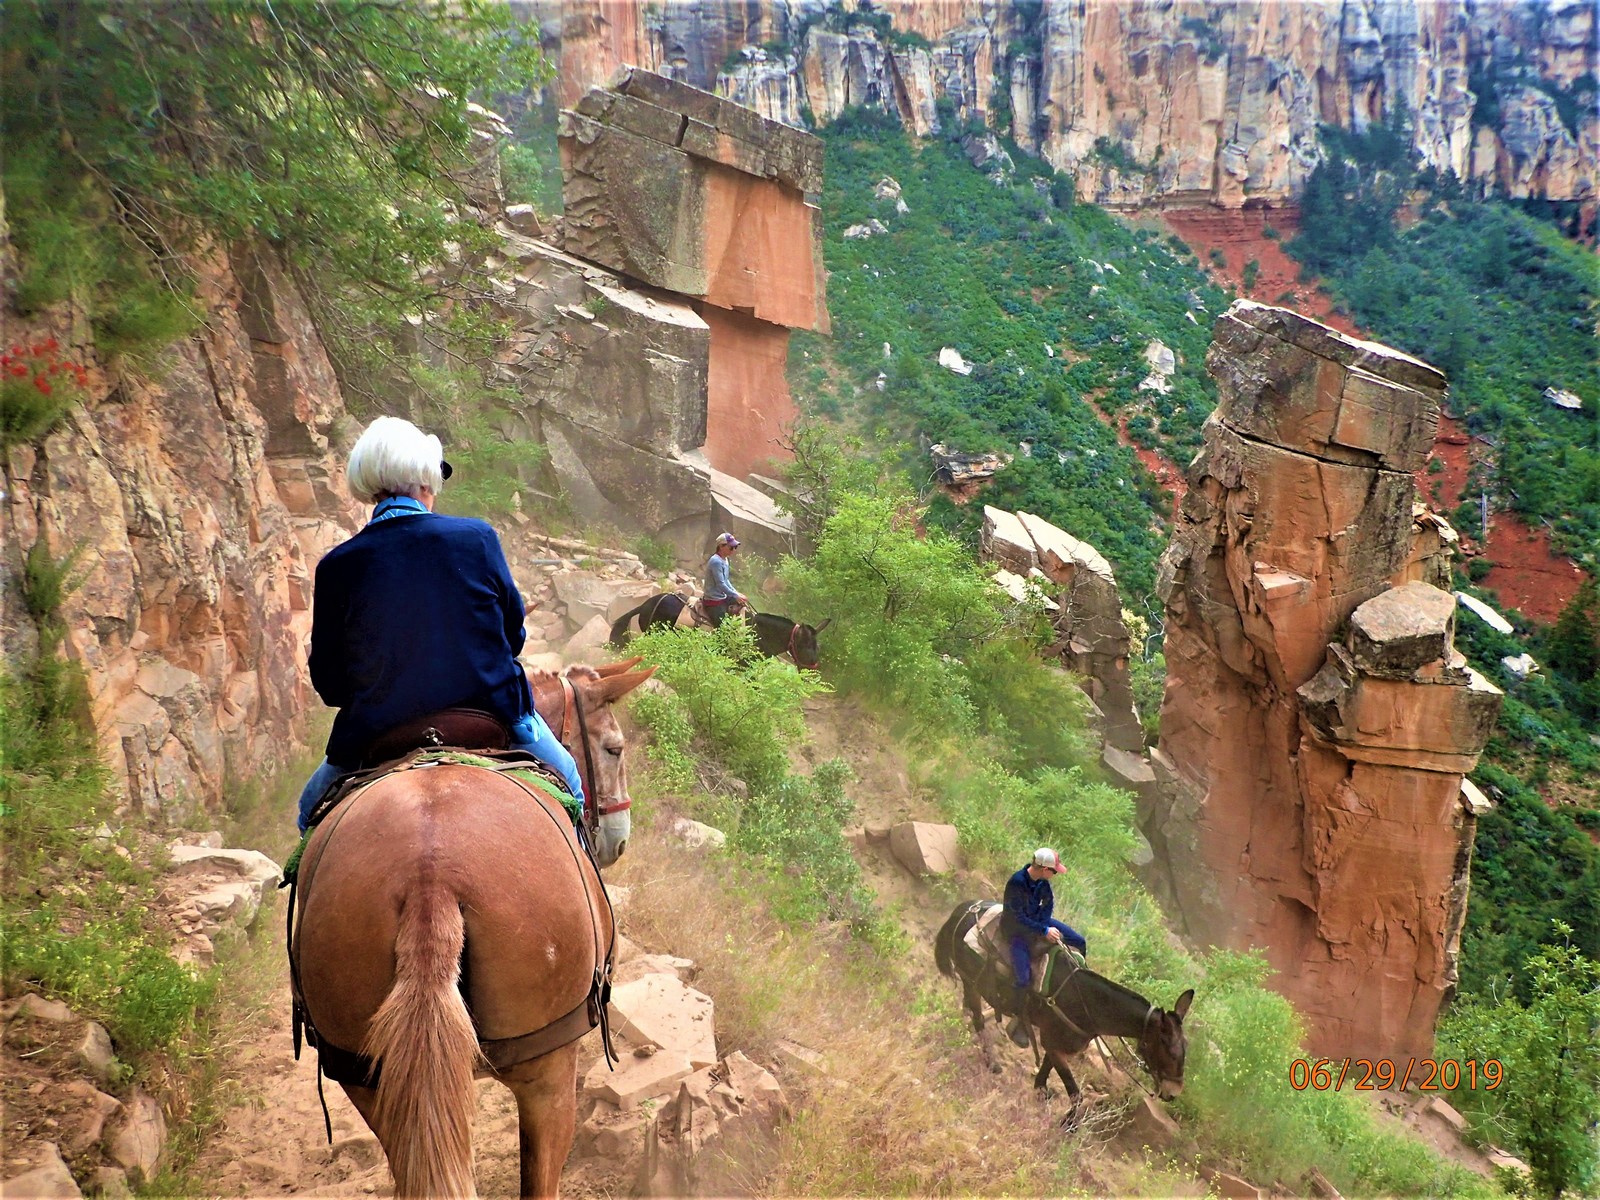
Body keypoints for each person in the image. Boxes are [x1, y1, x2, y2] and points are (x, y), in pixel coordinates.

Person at [294, 416, 583, 832]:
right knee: (571, 785)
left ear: (368, 486)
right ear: (426, 483)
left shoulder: (337, 566)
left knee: (309, 816)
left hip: (377, 728)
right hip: (491, 711)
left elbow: (330, 684)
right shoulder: (476, 538)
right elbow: (513, 636)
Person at [1002, 847, 1088, 993]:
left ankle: (1082, 977)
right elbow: (1017, 918)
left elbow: (1048, 903)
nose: (1055, 874)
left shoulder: (1042, 882)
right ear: (1044, 869)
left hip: (1039, 922)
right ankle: (1013, 1006)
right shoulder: (1016, 883)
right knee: (1023, 980)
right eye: (1054, 871)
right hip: (1018, 929)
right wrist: (1044, 930)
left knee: (1080, 941)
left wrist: (1044, 923)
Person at [702, 531, 747, 628]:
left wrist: (737, 593)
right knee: (723, 628)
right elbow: (721, 584)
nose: (733, 550)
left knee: (742, 604)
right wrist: (735, 595)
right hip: (714, 599)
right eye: (731, 547)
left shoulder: (725, 559)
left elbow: (726, 581)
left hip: (723, 596)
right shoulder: (716, 561)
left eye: (735, 547)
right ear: (721, 546)